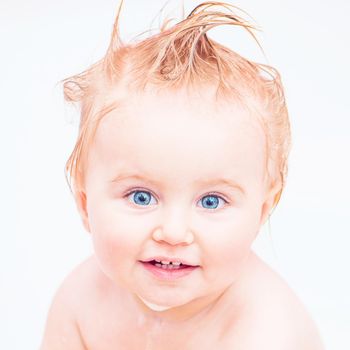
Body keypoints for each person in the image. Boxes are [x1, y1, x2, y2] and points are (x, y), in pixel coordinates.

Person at [40, 1, 324, 349]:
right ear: (85, 204)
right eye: (141, 196)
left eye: (211, 201)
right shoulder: (80, 303)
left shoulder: (264, 329)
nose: (174, 233)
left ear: (263, 211)